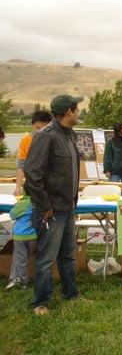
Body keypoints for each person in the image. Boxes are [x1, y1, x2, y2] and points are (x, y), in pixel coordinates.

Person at [24, 94, 83, 315]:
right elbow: (32, 174)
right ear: (68, 111)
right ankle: (40, 302)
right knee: (46, 258)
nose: (79, 112)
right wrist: (45, 205)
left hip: (68, 208)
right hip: (51, 210)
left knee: (68, 254)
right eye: (76, 109)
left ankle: (71, 294)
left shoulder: (69, 135)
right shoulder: (45, 136)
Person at [13, 110, 53, 196]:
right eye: (37, 128)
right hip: (32, 186)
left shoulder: (54, 141)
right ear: (32, 125)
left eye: (43, 129)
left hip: (51, 187)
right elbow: (21, 165)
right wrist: (18, 187)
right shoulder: (25, 140)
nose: (40, 131)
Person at [5, 196, 36, 290]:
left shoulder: (22, 204)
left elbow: (12, 215)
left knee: (20, 260)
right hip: (34, 236)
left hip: (20, 237)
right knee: (36, 257)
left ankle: (23, 282)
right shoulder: (38, 203)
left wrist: (16, 206)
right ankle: (14, 278)